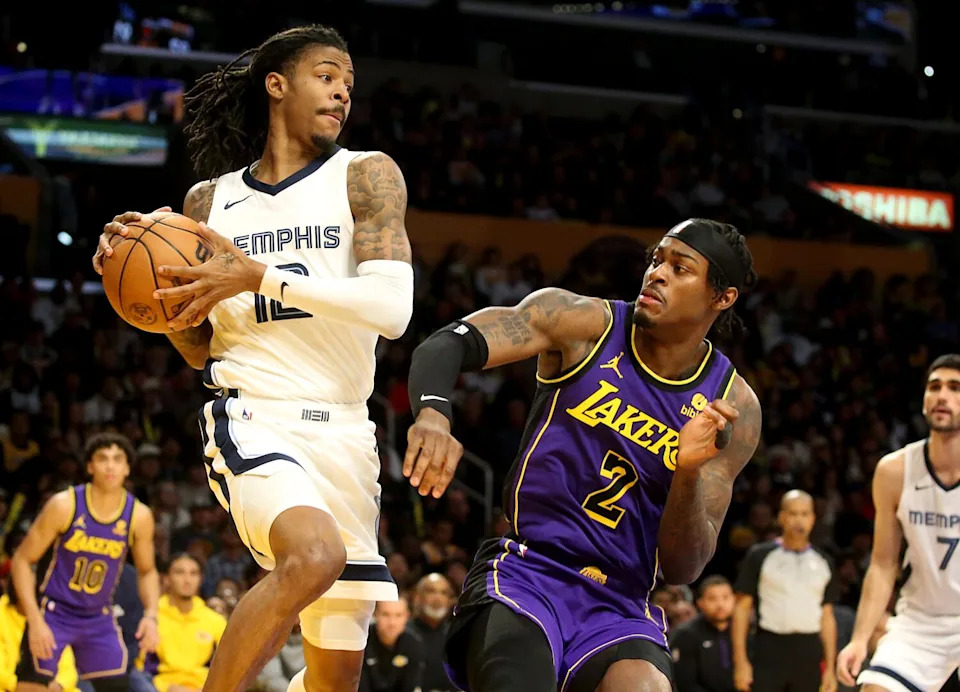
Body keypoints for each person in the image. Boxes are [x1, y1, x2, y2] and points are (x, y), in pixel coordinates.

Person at [93, 24, 413, 692]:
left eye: (348, 83)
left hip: (347, 433)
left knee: (334, 681)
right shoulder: (209, 203)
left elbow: (392, 310)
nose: (342, 93)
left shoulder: (365, 175)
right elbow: (198, 347)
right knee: (314, 554)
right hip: (254, 414)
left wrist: (256, 276)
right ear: (277, 85)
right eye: (326, 76)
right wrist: (143, 293)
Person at [404, 218, 762, 691]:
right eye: (656, 260)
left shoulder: (733, 405)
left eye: (680, 269)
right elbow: (451, 341)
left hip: (621, 605)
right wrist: (433, 414)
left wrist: (689, 471)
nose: (657, 274)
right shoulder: (582, 324)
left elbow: (684, 567)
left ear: (722, 297)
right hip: (529, 570)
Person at [837, 354, 960, 692]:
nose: (942, 395)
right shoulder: (894, 471)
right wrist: (860, 638)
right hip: (920, 622)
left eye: (955, 388)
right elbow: (883, 563)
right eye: (935, 387)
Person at [10, 433, 160, 692]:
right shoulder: (64, 505)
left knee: (118, 686)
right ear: (90, 466)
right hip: (54, 612)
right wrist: (34, 620)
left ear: (127, 468)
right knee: (30, 686)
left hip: (98, 616)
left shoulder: (139, 515)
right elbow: (22, 560)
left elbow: (147, 572)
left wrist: (152, 616)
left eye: (117, 459)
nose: (110, 466)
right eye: (102, 459)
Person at [731, 490, 838, 692]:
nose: (799, 520)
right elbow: (741, 609)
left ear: (813, 519)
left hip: (809, 650)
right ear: (781, 517)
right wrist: (741, 662)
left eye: (804, 514)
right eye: (793, 513)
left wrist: (830, 667)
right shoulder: (760, 556)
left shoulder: (824, 561)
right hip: (769, 648)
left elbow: (827, 616)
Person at [140, 554, 226, 692]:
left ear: (201, 579)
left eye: (193, 573)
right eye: (180, 572)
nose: (187, 580)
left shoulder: (215, 621)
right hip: (160, 688)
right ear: (166, 579)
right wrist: (167, 688)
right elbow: (139, 670)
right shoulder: (151, 618)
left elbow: (228, 668)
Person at [669, 575, 736, 692]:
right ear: (700, 603)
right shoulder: (685, 634)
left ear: (734, 599)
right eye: (712, 599)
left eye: (725, 597)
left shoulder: (746, 632)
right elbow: (685, 684)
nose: (720, 604)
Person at [358, 597, 424, 692]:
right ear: (375, 614)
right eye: (386, 615)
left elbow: (412, 685)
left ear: (407, 617)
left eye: (398, 615)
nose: (392, 623)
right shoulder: (362, 641)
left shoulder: (413, 644)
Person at [408, 574, 457, 692]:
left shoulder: (456, 635)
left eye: (443, 593)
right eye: (431, 591)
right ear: (417, 596)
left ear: (450, 600)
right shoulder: (404, 633)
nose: (437, 598)